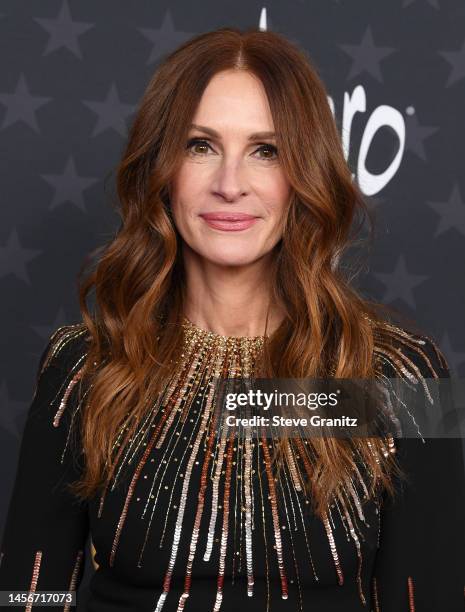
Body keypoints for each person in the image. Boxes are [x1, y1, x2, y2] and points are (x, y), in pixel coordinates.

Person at [0, 27, 464, 612]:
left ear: (304, 175)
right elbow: (26, 593)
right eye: (201, 145)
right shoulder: (88, 367)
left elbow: (432, 596)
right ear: (162, 171)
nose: (229, 184)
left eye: (265, 151)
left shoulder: (403, 377)